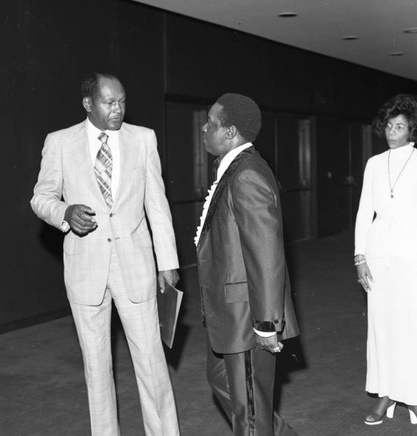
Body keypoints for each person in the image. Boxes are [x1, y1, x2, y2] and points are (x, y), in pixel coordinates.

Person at [31, 73, 180, 436]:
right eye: (109, 102)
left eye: (122, 101)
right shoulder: (60, 142)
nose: (118, 109)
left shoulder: (143, 139)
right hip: (86, 272)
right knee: (97, 371)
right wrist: (64, 213)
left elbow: (156, 205)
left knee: (152, 366)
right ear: (88, 104)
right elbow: (41, 197)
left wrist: (168, 263)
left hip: (137, 269)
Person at [194, 93, 300, 436]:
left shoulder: (246, 175)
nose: (204, 128)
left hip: (248, 316)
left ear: (230, 132)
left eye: (211, 122)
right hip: (230, 313)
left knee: (249, 415)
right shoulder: (233, 167)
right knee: (223, 381)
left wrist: (267, 323)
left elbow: (266, 253)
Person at [354, 94, 417, 426]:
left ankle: (413, 394)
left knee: (410, 326)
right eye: (389, 125)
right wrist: (359, 257)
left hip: (411, 255)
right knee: (380, 327)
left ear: (411, 129)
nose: (393, 132)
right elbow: (365, 211)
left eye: (401, 126)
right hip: (378, 255)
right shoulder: (374, 164)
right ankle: (385, 395)